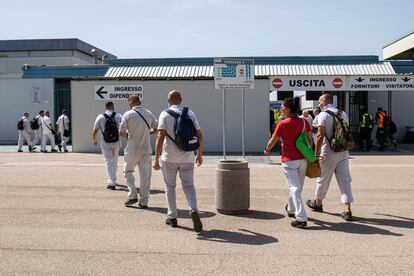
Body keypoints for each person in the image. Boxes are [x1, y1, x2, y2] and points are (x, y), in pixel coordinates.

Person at [153, 90, 204, 233]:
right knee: (189, 185)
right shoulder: (190, 113)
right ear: (181, 100)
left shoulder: (164, 114)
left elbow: (160, 137)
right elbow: (200, 135)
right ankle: (193, 209)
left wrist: (156, 159)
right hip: (188, 157)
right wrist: (199, 154)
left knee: (170, 186)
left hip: (169, 158)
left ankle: (172, 217)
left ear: (168, 101)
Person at [264, 97, 312, 229]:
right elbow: (310, 140)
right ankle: (291, 208)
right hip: (303, 160)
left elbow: (273, 139)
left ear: (289, 110)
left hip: (289, 160)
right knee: (298, 188)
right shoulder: (304, 122)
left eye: (283, 107)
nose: (281, 109)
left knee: (294, 188)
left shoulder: (283, 123)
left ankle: (301, 218)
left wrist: (267, 149)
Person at [306, 94, 354, 221]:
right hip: (343, 151)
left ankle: (318, 203)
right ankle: (347, 208)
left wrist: (316, 154)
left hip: (329, 151)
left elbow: (320, 135)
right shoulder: (343, 113)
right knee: (345, 180)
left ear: (324, 103)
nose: (319, 105)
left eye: (320, 103)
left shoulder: (323, 115)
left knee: (323, 178)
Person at [120, 95, 158, 207]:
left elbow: (121, 132)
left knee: (128, 171)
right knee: (145, 177)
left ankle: (132, 195)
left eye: (129, 103)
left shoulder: (127, 114)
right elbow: (156, 128)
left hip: (132, 149)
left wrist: (129, 134)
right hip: (146, 149)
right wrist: (147, 132)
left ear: (131, 102)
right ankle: (143, 202)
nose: (129, 105)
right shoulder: (148, 113)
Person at [93, 101, 123, 190]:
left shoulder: (100, 117)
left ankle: (112, 181)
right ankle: (113, 179)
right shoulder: (118, 116)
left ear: (105, 107)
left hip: (105, 143)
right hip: (116, 142)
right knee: (114, 161)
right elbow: (123, 129)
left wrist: (94, 139)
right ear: (112, 107)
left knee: (108, 161)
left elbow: (95, 130)